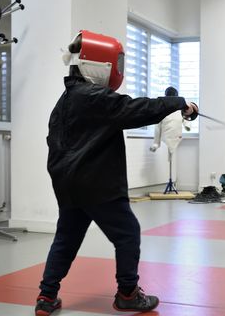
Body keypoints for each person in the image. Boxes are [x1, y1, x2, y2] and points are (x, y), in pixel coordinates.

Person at [35, 30, 198, 316]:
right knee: (128, 234)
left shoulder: (66, 99)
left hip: (69, 186)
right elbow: (135, 109)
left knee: (66, 239)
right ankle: (127, 293)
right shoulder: (93, 96)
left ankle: (47, 297)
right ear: (99, 65)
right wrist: (178, 103)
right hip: (98, 184)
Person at [150, 86, 188, 190]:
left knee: (172, 158)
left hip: (177, 137)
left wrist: (187, 124)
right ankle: (170, 180)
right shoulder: (162, 110)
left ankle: (171, 180)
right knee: (169, 158)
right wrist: (156, 143)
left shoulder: (179, 109)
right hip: (166, 138)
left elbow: (185, 118)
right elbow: (157, 127)